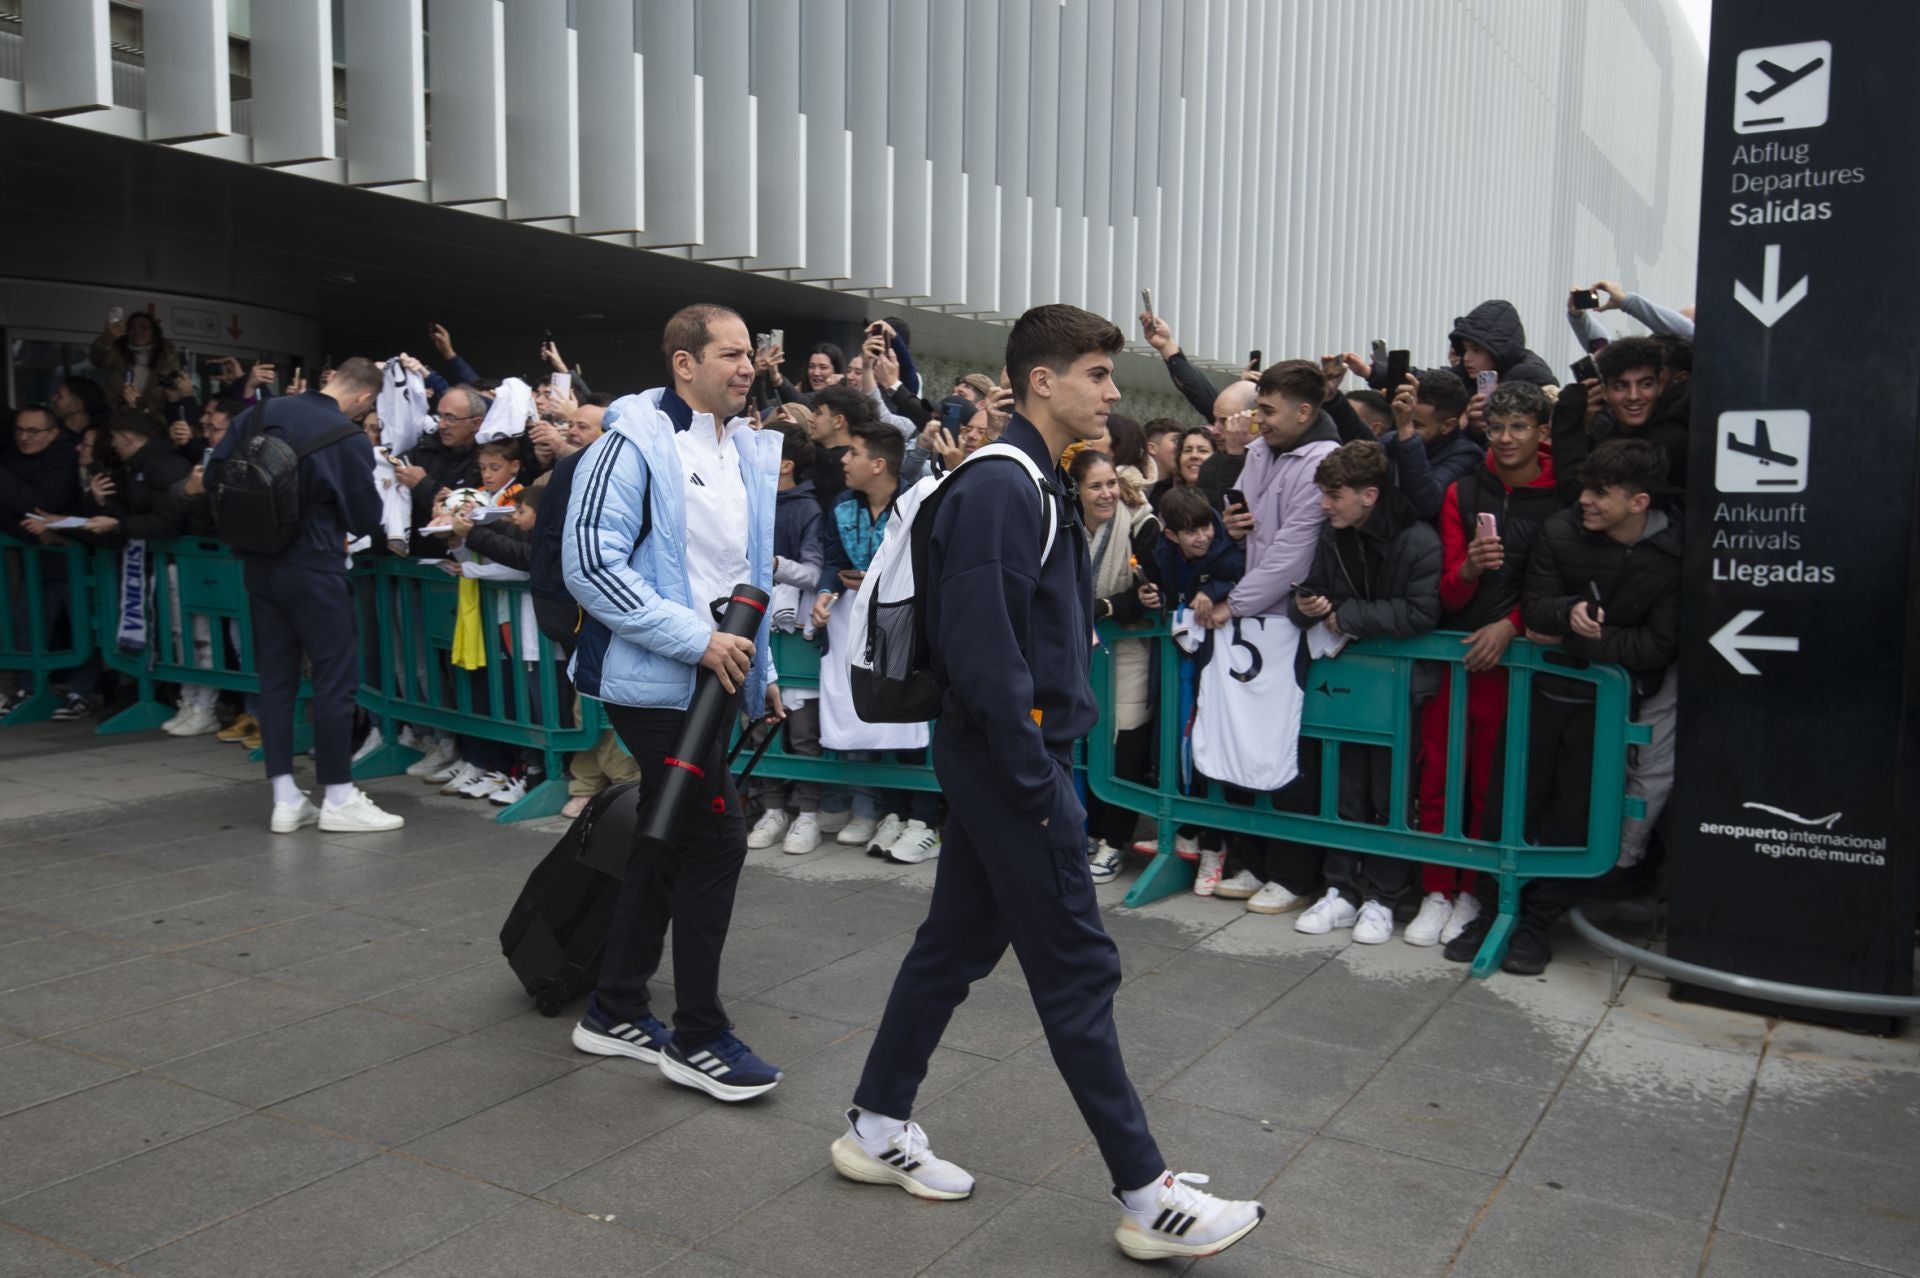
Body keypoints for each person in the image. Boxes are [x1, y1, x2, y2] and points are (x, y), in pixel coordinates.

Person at [835, 303, 1264, 1263]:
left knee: (949, 951)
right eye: (1099, 374)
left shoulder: (1027, 479)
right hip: (1012, 763)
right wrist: (1040, 787)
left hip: (1008, 760)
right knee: (1077, 970)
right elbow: (986, 657)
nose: (1114, 392)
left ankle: (875, 1124)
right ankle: (1149, 1197)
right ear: (1042, 381)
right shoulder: (1005, 486)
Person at [562, 303, 787, 1102]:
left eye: (749, 355)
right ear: (683, 363)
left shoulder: (747, 450)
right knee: (716, 836)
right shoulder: (631, 441)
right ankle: (697, 1036)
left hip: (713, 678)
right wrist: (696, 643)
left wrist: (759, 678)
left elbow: (744, 577)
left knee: (665, 838)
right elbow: (589, 562)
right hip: (654, 681)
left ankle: (616, 1006)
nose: (747, 366)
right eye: (729, 354)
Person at [1446, 438, 1681, 975]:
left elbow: (1660, 645)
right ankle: (1489, 912)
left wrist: (1585, 640)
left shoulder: (1672, 555)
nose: (1586, 502)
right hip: (1539, 693)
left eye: (1602, 493)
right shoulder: (1559, 531)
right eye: (1585, 490)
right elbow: (1537, 609)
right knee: (1509, 800)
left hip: (1608, 708)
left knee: (1575, 814)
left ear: (1638, 502)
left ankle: (1537, 924)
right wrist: (1570, 612)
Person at [207, 357, 402, 834]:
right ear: (363, 398)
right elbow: (364, 518)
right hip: (315, 566)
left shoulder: (256, 413)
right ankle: (337, 796)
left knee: (275, 680)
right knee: (334, 680)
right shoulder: (348, 436)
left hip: (258, 563)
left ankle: (285, 799)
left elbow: (214, 478)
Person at [1407, 380, 1562, 948]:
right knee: (1437, 773)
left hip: (1519, 666)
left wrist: (1512, 625)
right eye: (1496, 428)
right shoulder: (1463, 491)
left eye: (1519, 427)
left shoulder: (1563, 495)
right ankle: (1436, 889)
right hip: (1455, 654)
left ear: (1543, 432)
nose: (1505, 439)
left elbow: (1559, 586)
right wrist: (1470, 566)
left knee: (1490, 786)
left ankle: (1474, 891)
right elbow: (1446, 593)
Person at [1285, 441, 1442, 943]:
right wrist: (1304, 606)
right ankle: (1341, 890)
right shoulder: (1334, 536)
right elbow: (1309, 588)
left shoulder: (1418, 540)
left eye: (1334, 496)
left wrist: (1346, 615)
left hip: (1402, 689)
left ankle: (1383, 898)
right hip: (1349, 685)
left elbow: (1423, 613)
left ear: (1370, 494)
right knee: (1344, 787)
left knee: (1389, 794)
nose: (1325, 505)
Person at [1207, 360, 1342, 913]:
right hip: (1251, 621)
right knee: (1245, 737)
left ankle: (1291, 873)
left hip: (1290, 621)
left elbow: (1293, 551)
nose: (1257, 421)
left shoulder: (1324, 462)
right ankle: (1249, 858)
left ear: (1305, 412)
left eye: (1267, 410)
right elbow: (1245, 522)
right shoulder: (1260, 451)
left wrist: (1233, 603)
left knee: (1290, 745)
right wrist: (1232, 524)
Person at [810, 421, 943, 864]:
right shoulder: (841, 505)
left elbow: (930, 566)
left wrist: (882, 582)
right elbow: (832, 560)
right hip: (857, 623)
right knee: (877, 710)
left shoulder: (918, 503)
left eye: (854, 453)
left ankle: (923, 819)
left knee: (910, 716)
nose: (843, 461)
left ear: (879, 464)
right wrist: (827, 594)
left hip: (905, 623)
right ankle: (891, 811)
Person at [1141, 485, 1245, 892]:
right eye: (1191, 531)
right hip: (1181, 667)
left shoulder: (1227, 550)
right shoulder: (1162, 553)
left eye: (1205, 527)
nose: (1202, 537)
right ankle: (1186, 830)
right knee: (1176, 745)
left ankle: (1214, 848)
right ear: (1171, 535)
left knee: (1209, 749)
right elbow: (1164, 591)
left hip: (1221, 673)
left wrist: (1214, 591)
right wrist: (1152, 596)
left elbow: (1240, 575)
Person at [1071, 445, 1163, 884]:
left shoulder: (1141, 525)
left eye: (1111, 483)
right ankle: (1083, 832)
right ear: (1076, 489)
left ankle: (1114, 841)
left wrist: (1101, 607)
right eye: (1095, 486)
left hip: (1126, 654)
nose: (1106, 493)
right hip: (1070, 656)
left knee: (1123, 745)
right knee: (1072, 744)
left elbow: (1148, 596)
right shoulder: (1062, 528)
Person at [746, 421, 829, 855]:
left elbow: (814, 573)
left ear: (785, 464)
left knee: (802, 732)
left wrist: (771, 562)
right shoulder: (743, 498)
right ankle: (773, 809)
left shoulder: (808, 508)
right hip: (751, 630)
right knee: (759, 728)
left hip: (793, 633)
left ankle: (809, 815)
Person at [1551, 336, 1691, 491]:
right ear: (1604, 392)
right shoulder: (1610, 430)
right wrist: (1585, 430)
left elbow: (1583, 493)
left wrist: (1567, 416)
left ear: (1659, 385)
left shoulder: (1671, 439)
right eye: (1621, 386)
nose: (1634, 396)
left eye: (1645, 384)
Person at [1382, 370, 1482, 521]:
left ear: (1448, 426)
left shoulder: (1466, 454)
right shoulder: (1393, 440)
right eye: (1403, 418)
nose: (1404, 426)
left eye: (1416, 424)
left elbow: (1426, 504)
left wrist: (1407, 433)